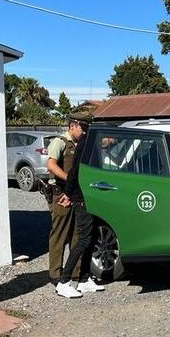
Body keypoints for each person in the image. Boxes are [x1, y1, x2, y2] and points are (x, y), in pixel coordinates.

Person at [55, 114, 105, 299]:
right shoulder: (85, 144)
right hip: (81, 197)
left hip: (88, 196)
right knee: (83, 239)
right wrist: (69, 194)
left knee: (90, 237)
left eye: (72, 127)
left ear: (78, 126)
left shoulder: (87, 143)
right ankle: (64, 281)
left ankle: (84, 279)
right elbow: (75, 172)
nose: (70, 131)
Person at [47, 112, 91, 287]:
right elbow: (51, 164)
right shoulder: (60, 142)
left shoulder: (82, 144)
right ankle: (55, 274)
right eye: (83, 127)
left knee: (77, 234)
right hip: (61, 192)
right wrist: (68, 178)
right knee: (60, 233)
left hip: (75, 194)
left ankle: (75, 271)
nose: (85, 131)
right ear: (72, 126)